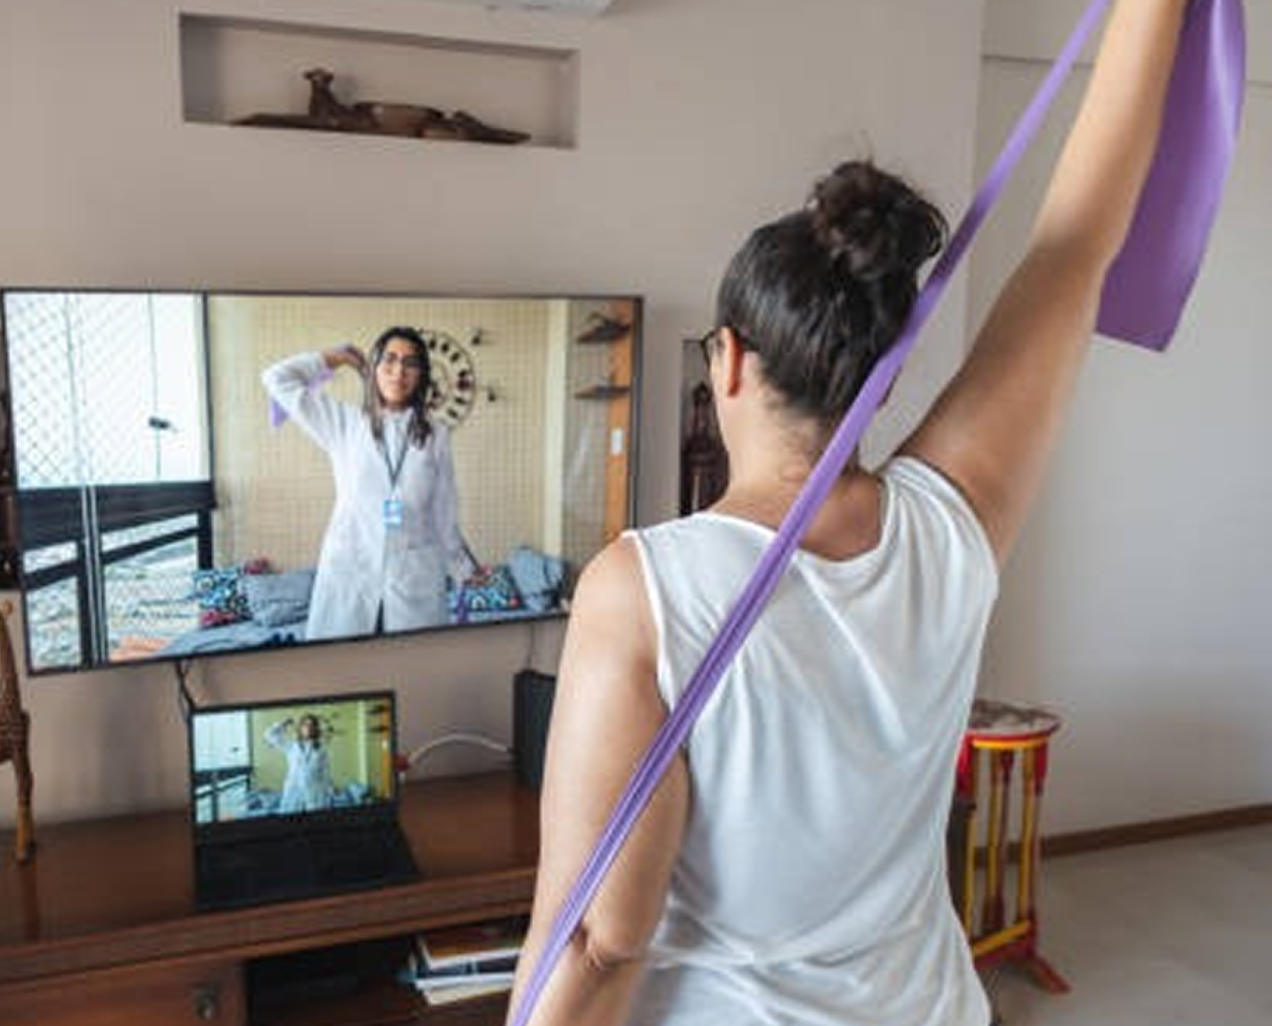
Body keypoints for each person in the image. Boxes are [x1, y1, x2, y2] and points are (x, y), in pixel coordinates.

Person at [508, 2, 1192, 1025]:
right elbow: (1076, 246)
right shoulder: (952, 524)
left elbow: (602, 940)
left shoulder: (642, 589)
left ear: (729, 361)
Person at [262, 326, 478, 640]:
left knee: (414, 676)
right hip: (351, 572)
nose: (398, 371)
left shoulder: (436, 434)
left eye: (410, 363)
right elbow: (276, 378)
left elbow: (443, 512)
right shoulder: (344, 423)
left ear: (421, 374)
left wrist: (463, 569)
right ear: (374, 367)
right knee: (347, 677)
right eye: (389, 360)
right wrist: (335, 358)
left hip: (413, 580)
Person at [264, 713, 335, 813]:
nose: (308, 728)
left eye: (312, 725)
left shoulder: (321, 750)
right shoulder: (291, 746)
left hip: (314, 793)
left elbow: (325, 774)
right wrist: (283, 724)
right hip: (293, 791)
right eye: (305, 725)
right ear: (300, 728)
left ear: (315, 729)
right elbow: (269, 735)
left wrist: (329, 794)